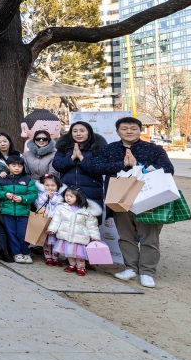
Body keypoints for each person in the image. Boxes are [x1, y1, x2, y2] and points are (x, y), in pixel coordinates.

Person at [94, 117, 174, 289]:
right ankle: (130, 267)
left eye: (133, 128)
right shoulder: (109, 148)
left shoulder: (154, 149)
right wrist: (121, 165)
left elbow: (168, 169)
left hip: (148, 199)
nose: (129, 131)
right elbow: (97, 167)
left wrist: (139, 165)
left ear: (140, 130)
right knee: (126, 236)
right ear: (117, 131)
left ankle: (147, 272)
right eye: (124, 128)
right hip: (119, 198)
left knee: (149, 237)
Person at [46, 186, 101, 276]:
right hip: (66, 236)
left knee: (79, 254)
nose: (68, 198)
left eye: (71, 196)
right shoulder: (61, 208)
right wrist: (52, 229)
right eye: (66, 195)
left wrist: (95, 237)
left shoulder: (87, 211)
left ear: (79, 197)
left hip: (80, 237)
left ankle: (81, 267)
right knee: (69, 253)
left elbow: (92, 225)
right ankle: (72, 265)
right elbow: (56, 220)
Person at [0, 155, 38, 264]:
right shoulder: (1, 180)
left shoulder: (27, 180)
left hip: (23, 212)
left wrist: (23, 199)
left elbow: (33, 194)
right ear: (8, 166)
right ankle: (16, 253)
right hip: (7, 211)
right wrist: (5, 194)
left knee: (22, 233)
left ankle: (26, 252)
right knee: (11, 233)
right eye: (14, 165)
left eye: (20, 166)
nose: (17, 168)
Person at [52, 121, 107, 208]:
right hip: (68, 191)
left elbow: (99, 169)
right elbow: (57, 165)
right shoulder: (64, 146)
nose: (78, 134)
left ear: (89, 132)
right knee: (67, 219)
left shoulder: (97, 147)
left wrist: (81, 158)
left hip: (91, 191)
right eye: (75, 131)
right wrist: (72, 158)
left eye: (82, 131)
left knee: (90, 220)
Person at [34, 173, 66, 267]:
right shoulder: (41, 194)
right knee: (46, 240)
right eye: (47, 185)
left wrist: (53, 198)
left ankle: (55, 257)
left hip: (56, 222)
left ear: (58, 186)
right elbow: (38, 203)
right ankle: (48, 256)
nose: (50, 188)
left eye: (53, 185)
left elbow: (61, 205)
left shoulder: (61, 196)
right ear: (43, 186)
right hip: (46, 221)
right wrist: (45, 197)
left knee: (57, 240)